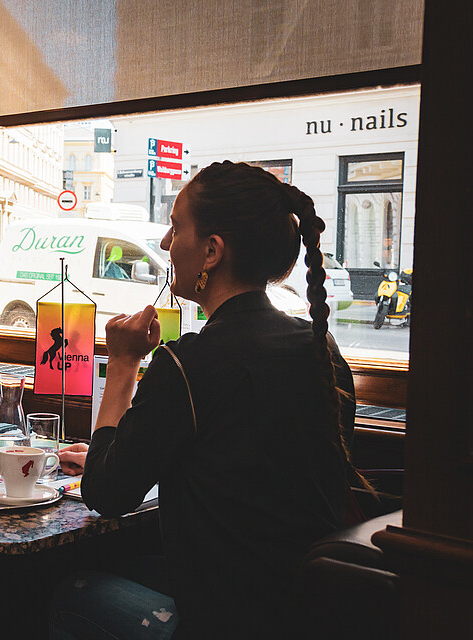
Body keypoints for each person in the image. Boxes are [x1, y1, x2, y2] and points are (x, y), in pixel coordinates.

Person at [52, 161, 363, 640]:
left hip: (228, 622)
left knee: (64, 590)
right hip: (305, 609)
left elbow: (106, 494)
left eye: (176, 228)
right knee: (128, 561)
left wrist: (121, 366)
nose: (164, 244)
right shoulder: (319, 347)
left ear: (212, 251)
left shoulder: (189, 363)